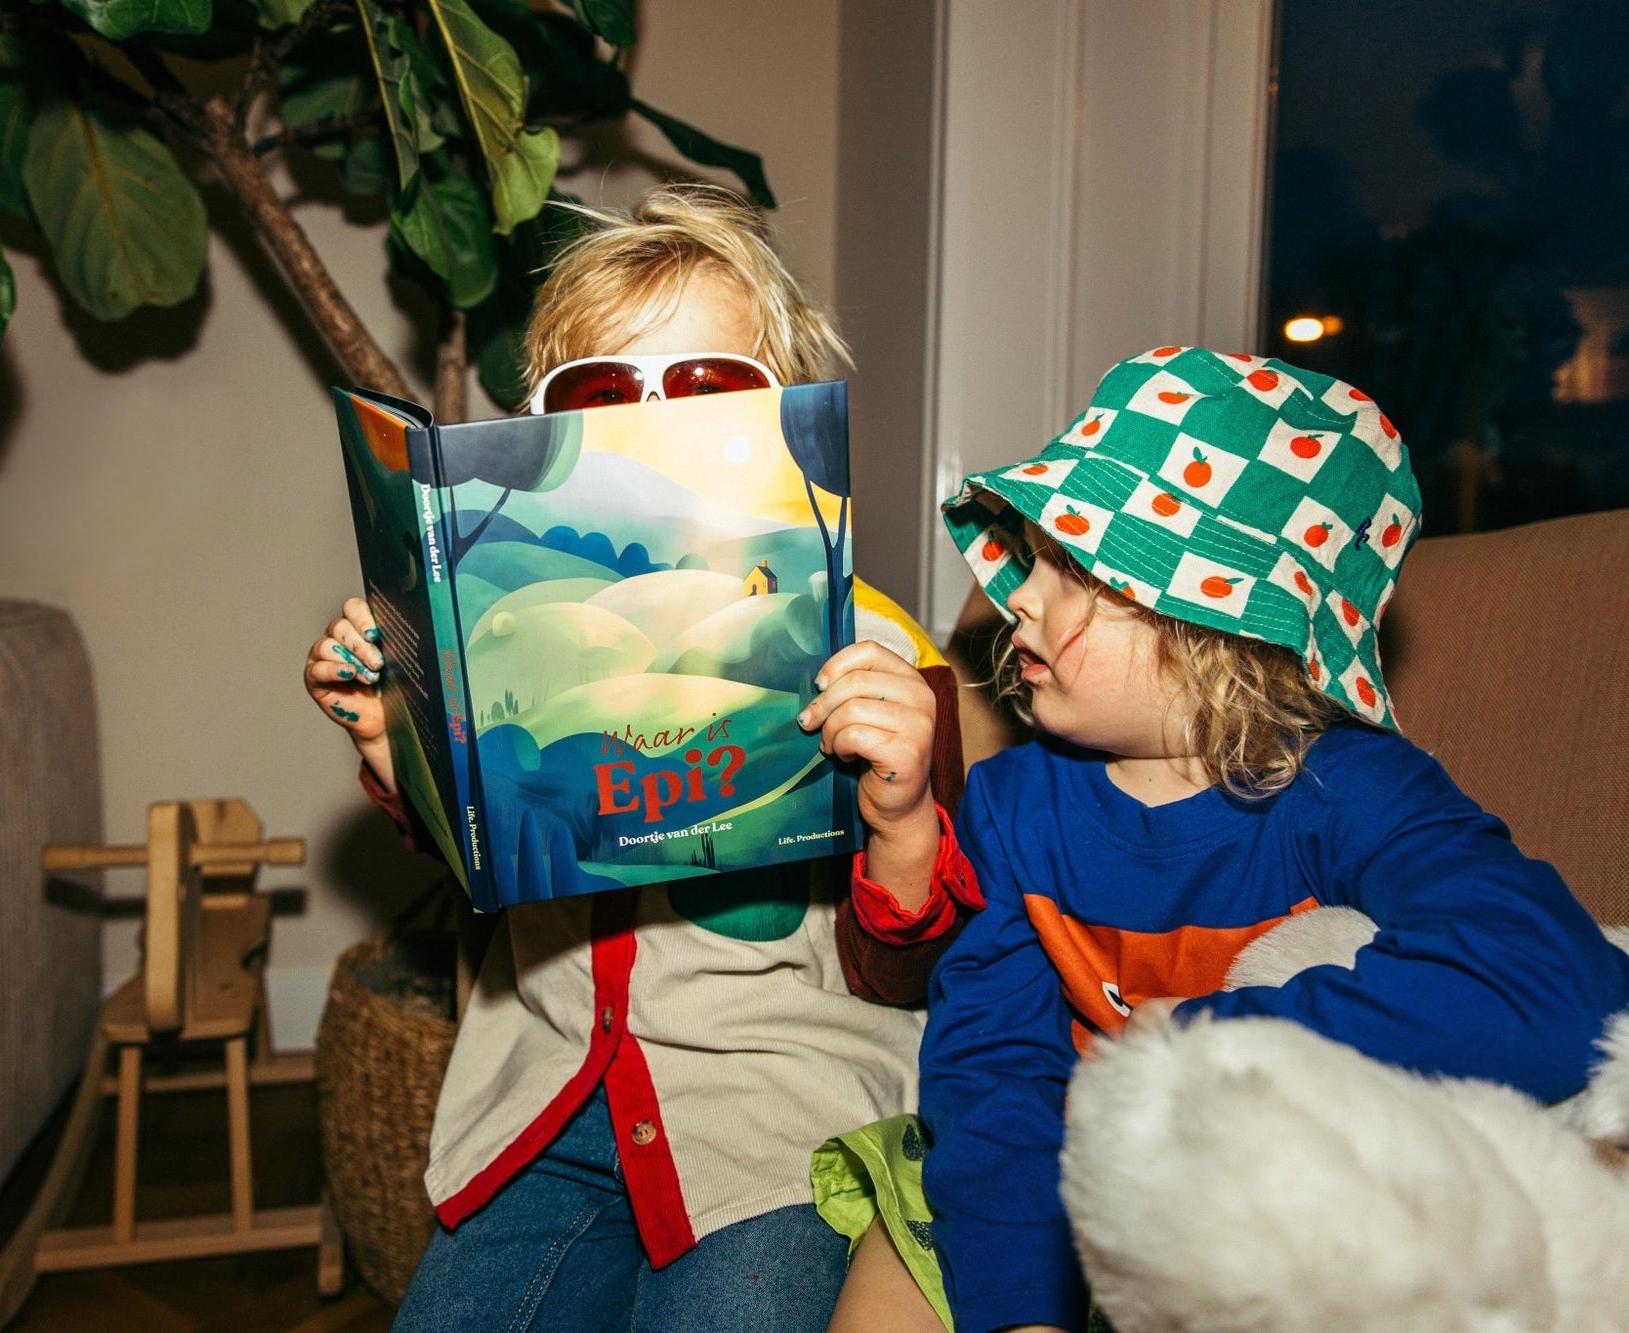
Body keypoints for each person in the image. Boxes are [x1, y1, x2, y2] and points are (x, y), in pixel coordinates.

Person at [813, 346, 1629, 1333]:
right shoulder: (1006, 806)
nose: (1017, 593)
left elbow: (1550, 981)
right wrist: (1023, 1308)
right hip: (1042, 1186)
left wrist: (1200, 1040)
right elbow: (990, 1069)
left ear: (1214, 630)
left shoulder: (1351, 790)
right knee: (894, 1253)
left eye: (1069, 566)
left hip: (1267, 1189)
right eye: (1029, 554)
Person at [303, 184, 979, 1331]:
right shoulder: (505, 618)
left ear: (783, 403)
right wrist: (388, 734)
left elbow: (917, 966)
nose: (656, 420)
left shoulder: (878, 654)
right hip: (543, 1100)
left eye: (709, 383)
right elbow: (479, 839)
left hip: (775, 1120)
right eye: (605, 391)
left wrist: (905, 815)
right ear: (538, 427)